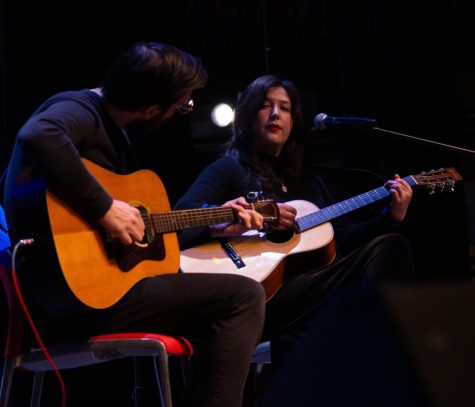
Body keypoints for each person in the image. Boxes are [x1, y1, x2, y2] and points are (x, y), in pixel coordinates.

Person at [2, 41, 266, 407]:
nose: (180, 113)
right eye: (181, 107)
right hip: (69, 305)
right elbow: (37, 135)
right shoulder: (78, 109)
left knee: (213, 301)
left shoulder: (111, 129)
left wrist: (214, 223)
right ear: (152, 109)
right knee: (242, 296)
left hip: (93, 296)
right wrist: (106, 209)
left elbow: (144, 230)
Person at [174, 75, 415, 372]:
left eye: (285, 108)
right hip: (256, 294)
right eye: (266, 106)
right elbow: (183, 214)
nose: (276, 114)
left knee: (390, 245)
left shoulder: (308, 182)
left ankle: (378, 353)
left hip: (307, 291)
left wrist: (390, 217)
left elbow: (342, 240)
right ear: (248, 115)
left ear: (293, 121)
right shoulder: (230, 169)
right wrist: (225, 220)